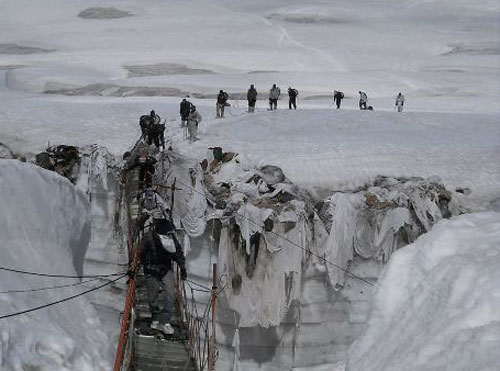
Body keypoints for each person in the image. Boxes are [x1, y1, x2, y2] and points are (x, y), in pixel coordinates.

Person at [137, 188, 187, 336]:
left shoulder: (170, 236)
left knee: (171, 294)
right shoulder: (148, 238)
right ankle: (155, 318)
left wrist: (182, 267)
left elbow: (177, 252)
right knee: (152, 297)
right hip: (151, 269)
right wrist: (137, 267)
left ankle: (165, 321)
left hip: (165, 269)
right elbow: (140, 253)